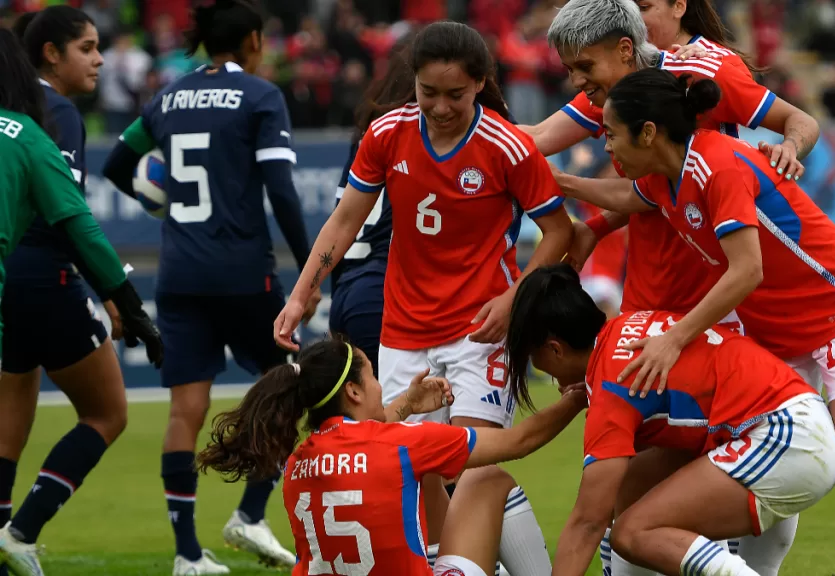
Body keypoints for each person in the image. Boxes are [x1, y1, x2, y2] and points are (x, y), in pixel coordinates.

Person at [572, 69, 835, 575]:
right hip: (772, 328)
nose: (606, 146)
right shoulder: (666, 173)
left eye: (611, 133)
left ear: (648, 133)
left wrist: (675, 338)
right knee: (771, 455)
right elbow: (625, 199)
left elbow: (747, 270)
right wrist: (552, 181)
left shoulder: (718, 166)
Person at [522, 0, 821, 572]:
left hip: (714, 301)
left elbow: (796, 121)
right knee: (637, 474)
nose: (578, 83)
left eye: (584, 67)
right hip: (650, 299)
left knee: (726, 455)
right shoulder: (610, 99)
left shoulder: (706, 76)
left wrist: (788, 151)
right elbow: (551, 146)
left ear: (624, 48)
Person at [274, 21, 574, 575]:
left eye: (454, 94)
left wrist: (513, 299)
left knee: (474, 468)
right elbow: (345, 219)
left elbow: (560, 232)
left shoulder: (506, 145)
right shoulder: (387, 133)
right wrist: (300, 294)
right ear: (411, 81)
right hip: (403, 333)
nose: (439, 107)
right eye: (427, 92)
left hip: (480, 331)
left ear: (480, 83)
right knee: (419, 473)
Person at [100, 0, 314, 571]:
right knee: (291, 389)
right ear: (252, 40)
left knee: (185, 411)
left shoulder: (167, 97)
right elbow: (281, 191)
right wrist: (311, 269)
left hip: (180, 273)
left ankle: (188, 554)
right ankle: (249, 513)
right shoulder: (260, 96)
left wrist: (155, 200)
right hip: (243, 272)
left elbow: (117, 165)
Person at [503, 264, 835, 576]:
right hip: (797, 420)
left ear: (555, 349)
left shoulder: (610, 386)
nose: (540, 370)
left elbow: (588, 522)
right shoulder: (627, 327)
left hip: (785, 438)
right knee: (633, 489)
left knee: (633, 531)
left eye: (534, 359)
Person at [196, 337, 588, 575]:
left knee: (427, 479)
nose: (379, 386)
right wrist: (579, 395)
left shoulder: (298, 462)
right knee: (486, 479)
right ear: (353, 392)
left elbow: (367, 438)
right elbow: (519, 441)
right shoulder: (404, 443)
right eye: (371, 376)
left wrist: (409, 403)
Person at [0, 27, 162, 576]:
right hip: (43, 278)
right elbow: (67, 217)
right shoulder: (53, 114)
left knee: (9, 423)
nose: (98, 61)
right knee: (107, 412)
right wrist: (118, 295)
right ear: (50, 54)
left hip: (9, 281)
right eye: (87, 49)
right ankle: (21, 531)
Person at [327, 41, 414, 376]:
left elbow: (341, 221)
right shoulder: (417, 138)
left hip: (348, 288)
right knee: (397, 408)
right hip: (384, 291)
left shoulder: (368, 136)